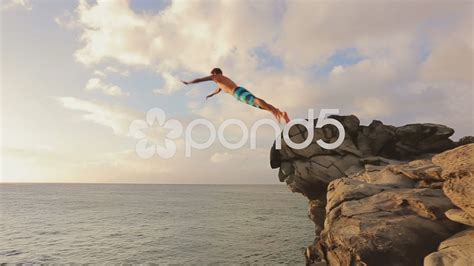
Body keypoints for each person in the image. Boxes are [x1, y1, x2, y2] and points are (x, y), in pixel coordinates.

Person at [182, 68, 290, 123]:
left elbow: (200, 79)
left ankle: (273, 111)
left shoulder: (216, 77)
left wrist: (189, 82)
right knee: (258, 104)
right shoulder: (222, 81)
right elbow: (218, 90)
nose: (212, 77)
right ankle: (280, 113)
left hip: (237, 92)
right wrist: (211, 95)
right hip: (238, 91)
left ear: (215, 73)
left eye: (212, 74)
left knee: (255, 100)